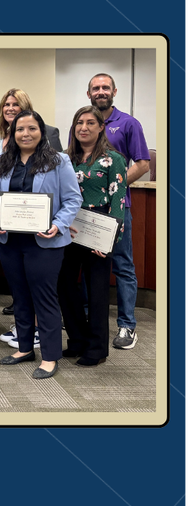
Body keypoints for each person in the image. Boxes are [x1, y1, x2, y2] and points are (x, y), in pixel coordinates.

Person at [0, 110, 81, 379]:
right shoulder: (4, 161)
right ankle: (25, 348)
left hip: (45, 241)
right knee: (20, 295)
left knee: (44, 297)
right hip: (10, 240)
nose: (25, 134)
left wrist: (58, 224)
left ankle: (50, 356)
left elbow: (73, 199)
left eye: (31, 128)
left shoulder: (58, 160)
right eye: (20, 129)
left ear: (42, 132)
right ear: (12, 133)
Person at [58, 107, 127, 366]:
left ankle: (97, 348)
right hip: (70, 226)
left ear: (101, 127)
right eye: (79, 122)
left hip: (100, 225)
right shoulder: (65, 158)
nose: (83, 127)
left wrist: (109, 242)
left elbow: (118, 200)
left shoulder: (113, 158)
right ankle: (77, 340)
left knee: (97, 290)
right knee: (65, 285)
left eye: (90, 123)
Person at [85, 73, 150, 350]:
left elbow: (143, 164)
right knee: (88, 264)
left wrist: (115, 187)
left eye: (105, 87)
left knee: (122, 265)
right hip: (87, 210)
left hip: (118, 208)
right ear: (88, 93)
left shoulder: (128, 123)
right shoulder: (83, 122)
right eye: (95, 88)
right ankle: (88, 318)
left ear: (114, 91)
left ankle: (127, 325)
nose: (100, 92)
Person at [0, 88, 63, 319]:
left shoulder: (50, 136)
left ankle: (42, 331)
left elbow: (58, 182)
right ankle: (23, 332)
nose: (10, 108)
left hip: (40, 230)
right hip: (10, 230)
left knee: (42, 292)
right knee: (20, 292)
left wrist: (60, 221)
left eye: (16, 104)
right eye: (7, 104)